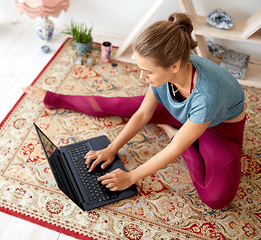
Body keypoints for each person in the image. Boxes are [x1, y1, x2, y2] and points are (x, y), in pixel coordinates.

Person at [23, 12, 246, 209]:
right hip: (181, 108)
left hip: (218, 129)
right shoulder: (168, 66)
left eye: (147, 72)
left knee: (217, 198)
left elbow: (175, 149)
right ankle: (53, 98)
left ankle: (174, 131)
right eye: (140, 69)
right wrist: (111, 149)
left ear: (174, 66)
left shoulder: (206, 96)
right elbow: (142, 114)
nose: (142, 77)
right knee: (118, 105)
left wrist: (131, 176)